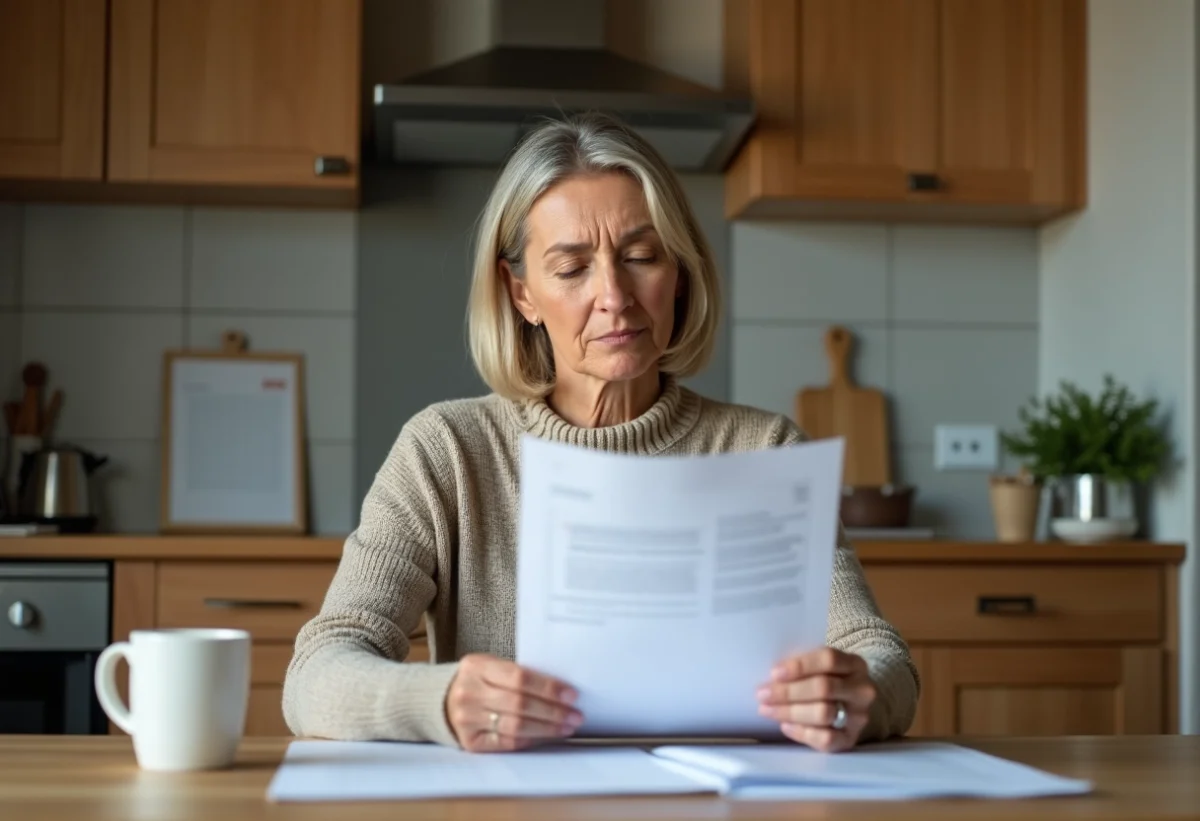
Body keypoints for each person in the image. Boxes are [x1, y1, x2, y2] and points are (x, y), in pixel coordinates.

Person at [283, 112, 919, 754]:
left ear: (679, 272)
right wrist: (441, 701)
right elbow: (316, 673)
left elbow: (877, 653)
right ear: (521, 294)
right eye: (571, 268)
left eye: (642, 256)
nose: (615, 295)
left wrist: (857, 696)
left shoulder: (765, 450)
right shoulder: (446, 452)